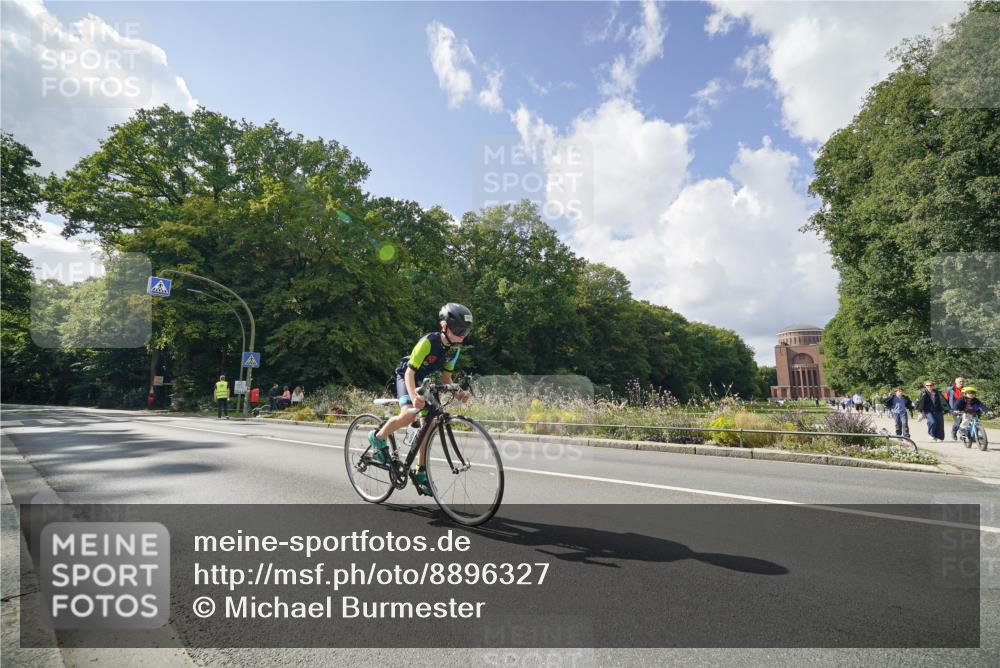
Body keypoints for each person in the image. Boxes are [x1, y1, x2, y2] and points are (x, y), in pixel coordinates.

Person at [369, 303, 473, 496]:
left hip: (424, 382)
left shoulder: (454, 350)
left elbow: (446, 378)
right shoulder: (428, 342)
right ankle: (377, 438)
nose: (461, 336)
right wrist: (414, 396)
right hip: (406, 376)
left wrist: (459, 392)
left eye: (465, 332)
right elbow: (410, 372)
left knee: (430, 424)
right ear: (444, 326)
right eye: (458, 330)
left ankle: (420, 471)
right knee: (408, 415)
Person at [943, 377, 966, 441]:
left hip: (964, 408)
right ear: (956, 382)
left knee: (967, 421)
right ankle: (954, 431)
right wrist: (946, 410)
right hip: (954, 409)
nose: (961, 383)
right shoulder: (950, 390)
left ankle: (969, 435)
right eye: (960, 381)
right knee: (958, 422)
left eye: (963, 381)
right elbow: (945, 400)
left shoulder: (966, 390)